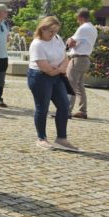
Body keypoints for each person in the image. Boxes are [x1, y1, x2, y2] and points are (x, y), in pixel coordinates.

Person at [27, 16, 79, 151]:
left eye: (56, 31)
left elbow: (64, 56)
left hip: (57, 76)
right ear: (43, 29)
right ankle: (41, 138)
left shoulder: (56, 38)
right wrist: (60, 69)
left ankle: (61, 138)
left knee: (64, 105)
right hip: (39, 77)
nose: (53, 34)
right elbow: (45, 68)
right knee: (42, 108)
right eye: (51, 31)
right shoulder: (37, 44)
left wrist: (61, 68)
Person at [65, 8, 98, 119]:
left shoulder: (83, 28)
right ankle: (82, 110)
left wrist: (68, 41)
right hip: (85, 59)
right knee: (79, 86)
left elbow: (71, 43)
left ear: (79, 17)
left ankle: (66, 111)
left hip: (77, 59)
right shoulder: (93, 28)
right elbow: (76, 43)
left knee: (70, 85)